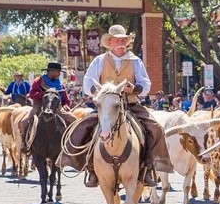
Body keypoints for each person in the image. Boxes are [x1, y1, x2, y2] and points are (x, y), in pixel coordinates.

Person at [58, 24, 173, 187]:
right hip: (106, 107)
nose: (121, 43)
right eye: (117, 40)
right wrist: (98, 90)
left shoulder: (135, 61)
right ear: (110, 42)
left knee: (155, 128)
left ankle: (148, 167)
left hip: (130, 104)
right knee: (83, 127)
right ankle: (90, 168)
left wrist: (134, 88)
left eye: (123, 40)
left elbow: (146, 84)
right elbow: (87, 83)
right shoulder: (99, 60)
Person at [21, 62, 71, 152]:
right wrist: (46, 95)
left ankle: (70, 144)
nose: (59, 74)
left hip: (57, 107)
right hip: (40, 105)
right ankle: (25, 143)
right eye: (58, 72)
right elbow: (32, 94)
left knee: (74, 119)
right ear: (51, 71)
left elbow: (65, 98)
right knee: (25, 121)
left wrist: (66, 105)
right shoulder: (39, 80)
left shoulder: (59, 83)